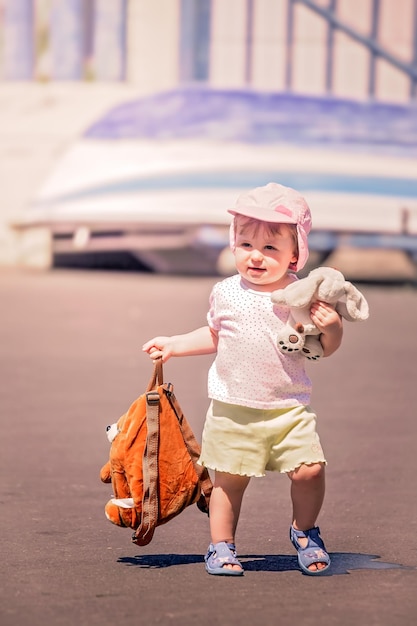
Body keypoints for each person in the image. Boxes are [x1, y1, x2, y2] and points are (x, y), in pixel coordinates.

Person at [143, 182, 343, 576]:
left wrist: (333, 326)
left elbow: (321, 348)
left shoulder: (300, 295)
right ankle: (221, 546)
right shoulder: (225, 292)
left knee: (310, 470)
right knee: (229, 483)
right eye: (246, 244)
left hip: (289, 407)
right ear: (233, 246)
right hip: (233, 408)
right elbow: (216, 335)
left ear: (295, 254)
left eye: (270, 248)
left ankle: (304, 532)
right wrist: (174, 344)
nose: (256, 256)